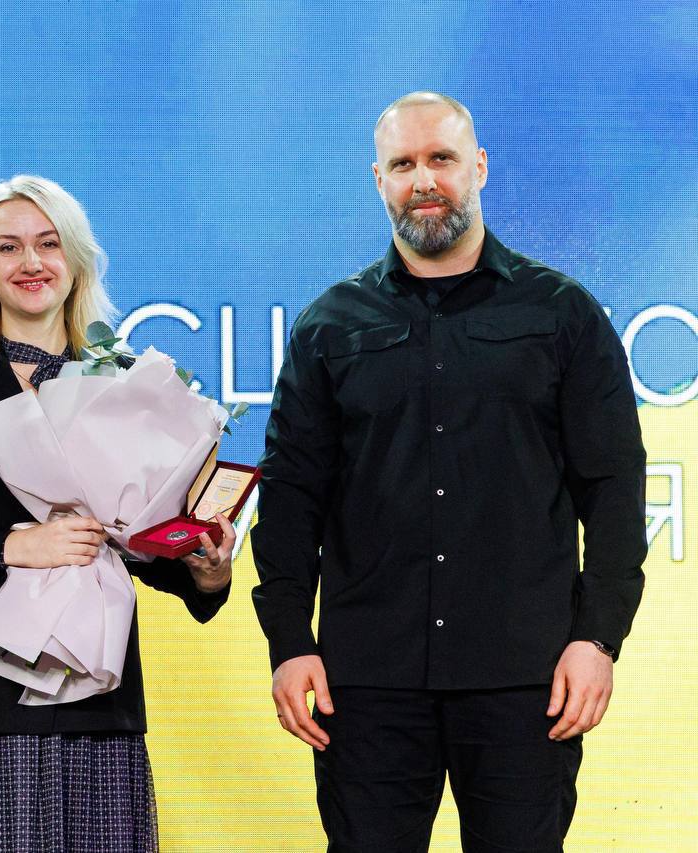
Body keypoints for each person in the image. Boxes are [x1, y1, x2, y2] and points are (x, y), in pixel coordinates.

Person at [250, 92, 647, 852]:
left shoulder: (562, 314)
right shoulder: (329, 326)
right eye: (403, 164)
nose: (424, 180)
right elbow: (292, 498)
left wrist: (597, 639)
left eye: (442, 159)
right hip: (367, 681)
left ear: (480, 167)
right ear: (378, 179)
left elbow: (614, 490)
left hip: (526, 679)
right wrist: (290, 642)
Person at [0, 175, 234, 853]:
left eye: (48, 244)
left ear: (74, 260)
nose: (31, 262)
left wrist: (205, 570)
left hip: (93, 704)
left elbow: (141, 543)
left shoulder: (127, 383)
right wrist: (15, 546)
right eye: (8, 247)